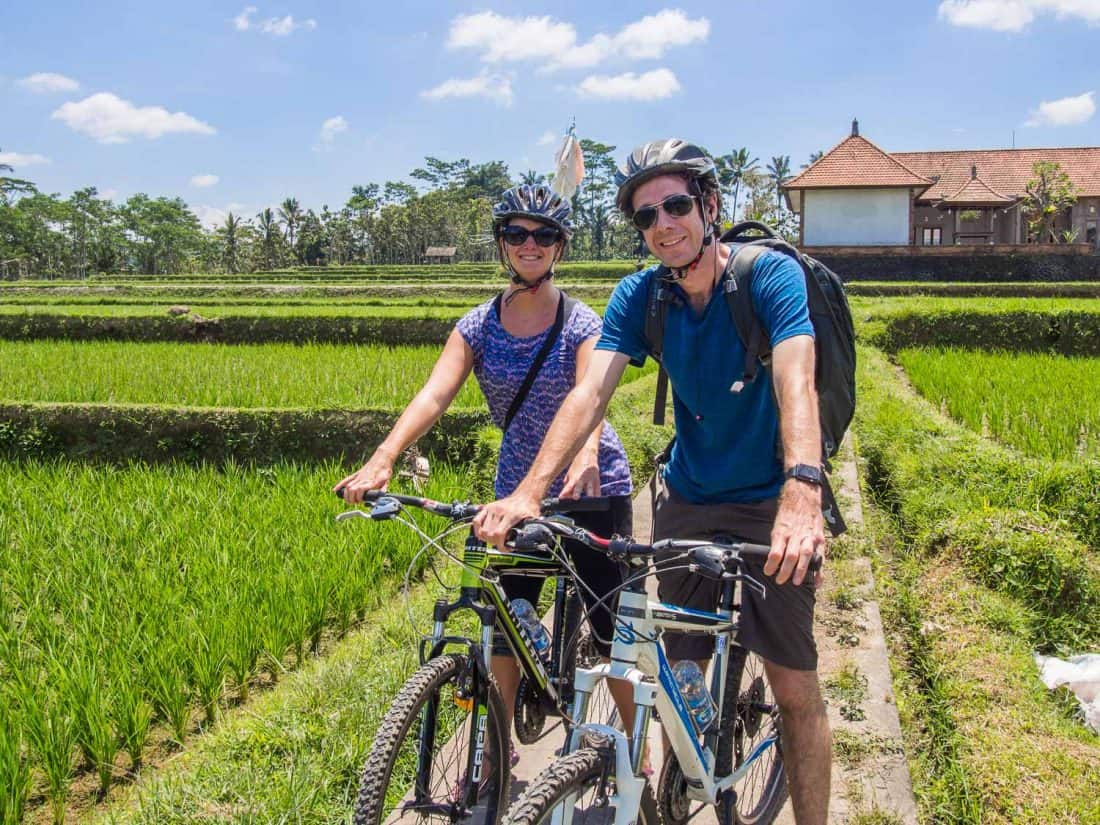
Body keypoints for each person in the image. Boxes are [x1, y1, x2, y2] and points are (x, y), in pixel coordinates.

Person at [473, 140, 831, 824]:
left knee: (793, 686)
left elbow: (796, 378)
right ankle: (679, 785)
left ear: (709, 204)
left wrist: (803, 490)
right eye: (646, 215)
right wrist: (528, 491)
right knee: (680, 672)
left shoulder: (769, 278)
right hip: (691, 495)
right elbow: (589, 394)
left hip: (770, 498)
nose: (663, 223)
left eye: (675, 205)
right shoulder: (643, 295)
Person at [334, 183, 638, 761]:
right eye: (518, 234)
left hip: (588, 486)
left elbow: (589, 395)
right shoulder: (477, 325)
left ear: (559, 247)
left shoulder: (581, 323)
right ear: (502, 244)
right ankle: (496, 749)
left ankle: (633, 746)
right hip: (513, 493)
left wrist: (589, 454)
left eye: (543, 234)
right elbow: (434, 394)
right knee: (505, 618)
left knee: (610, 624)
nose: (531, 244)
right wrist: (385, 455)